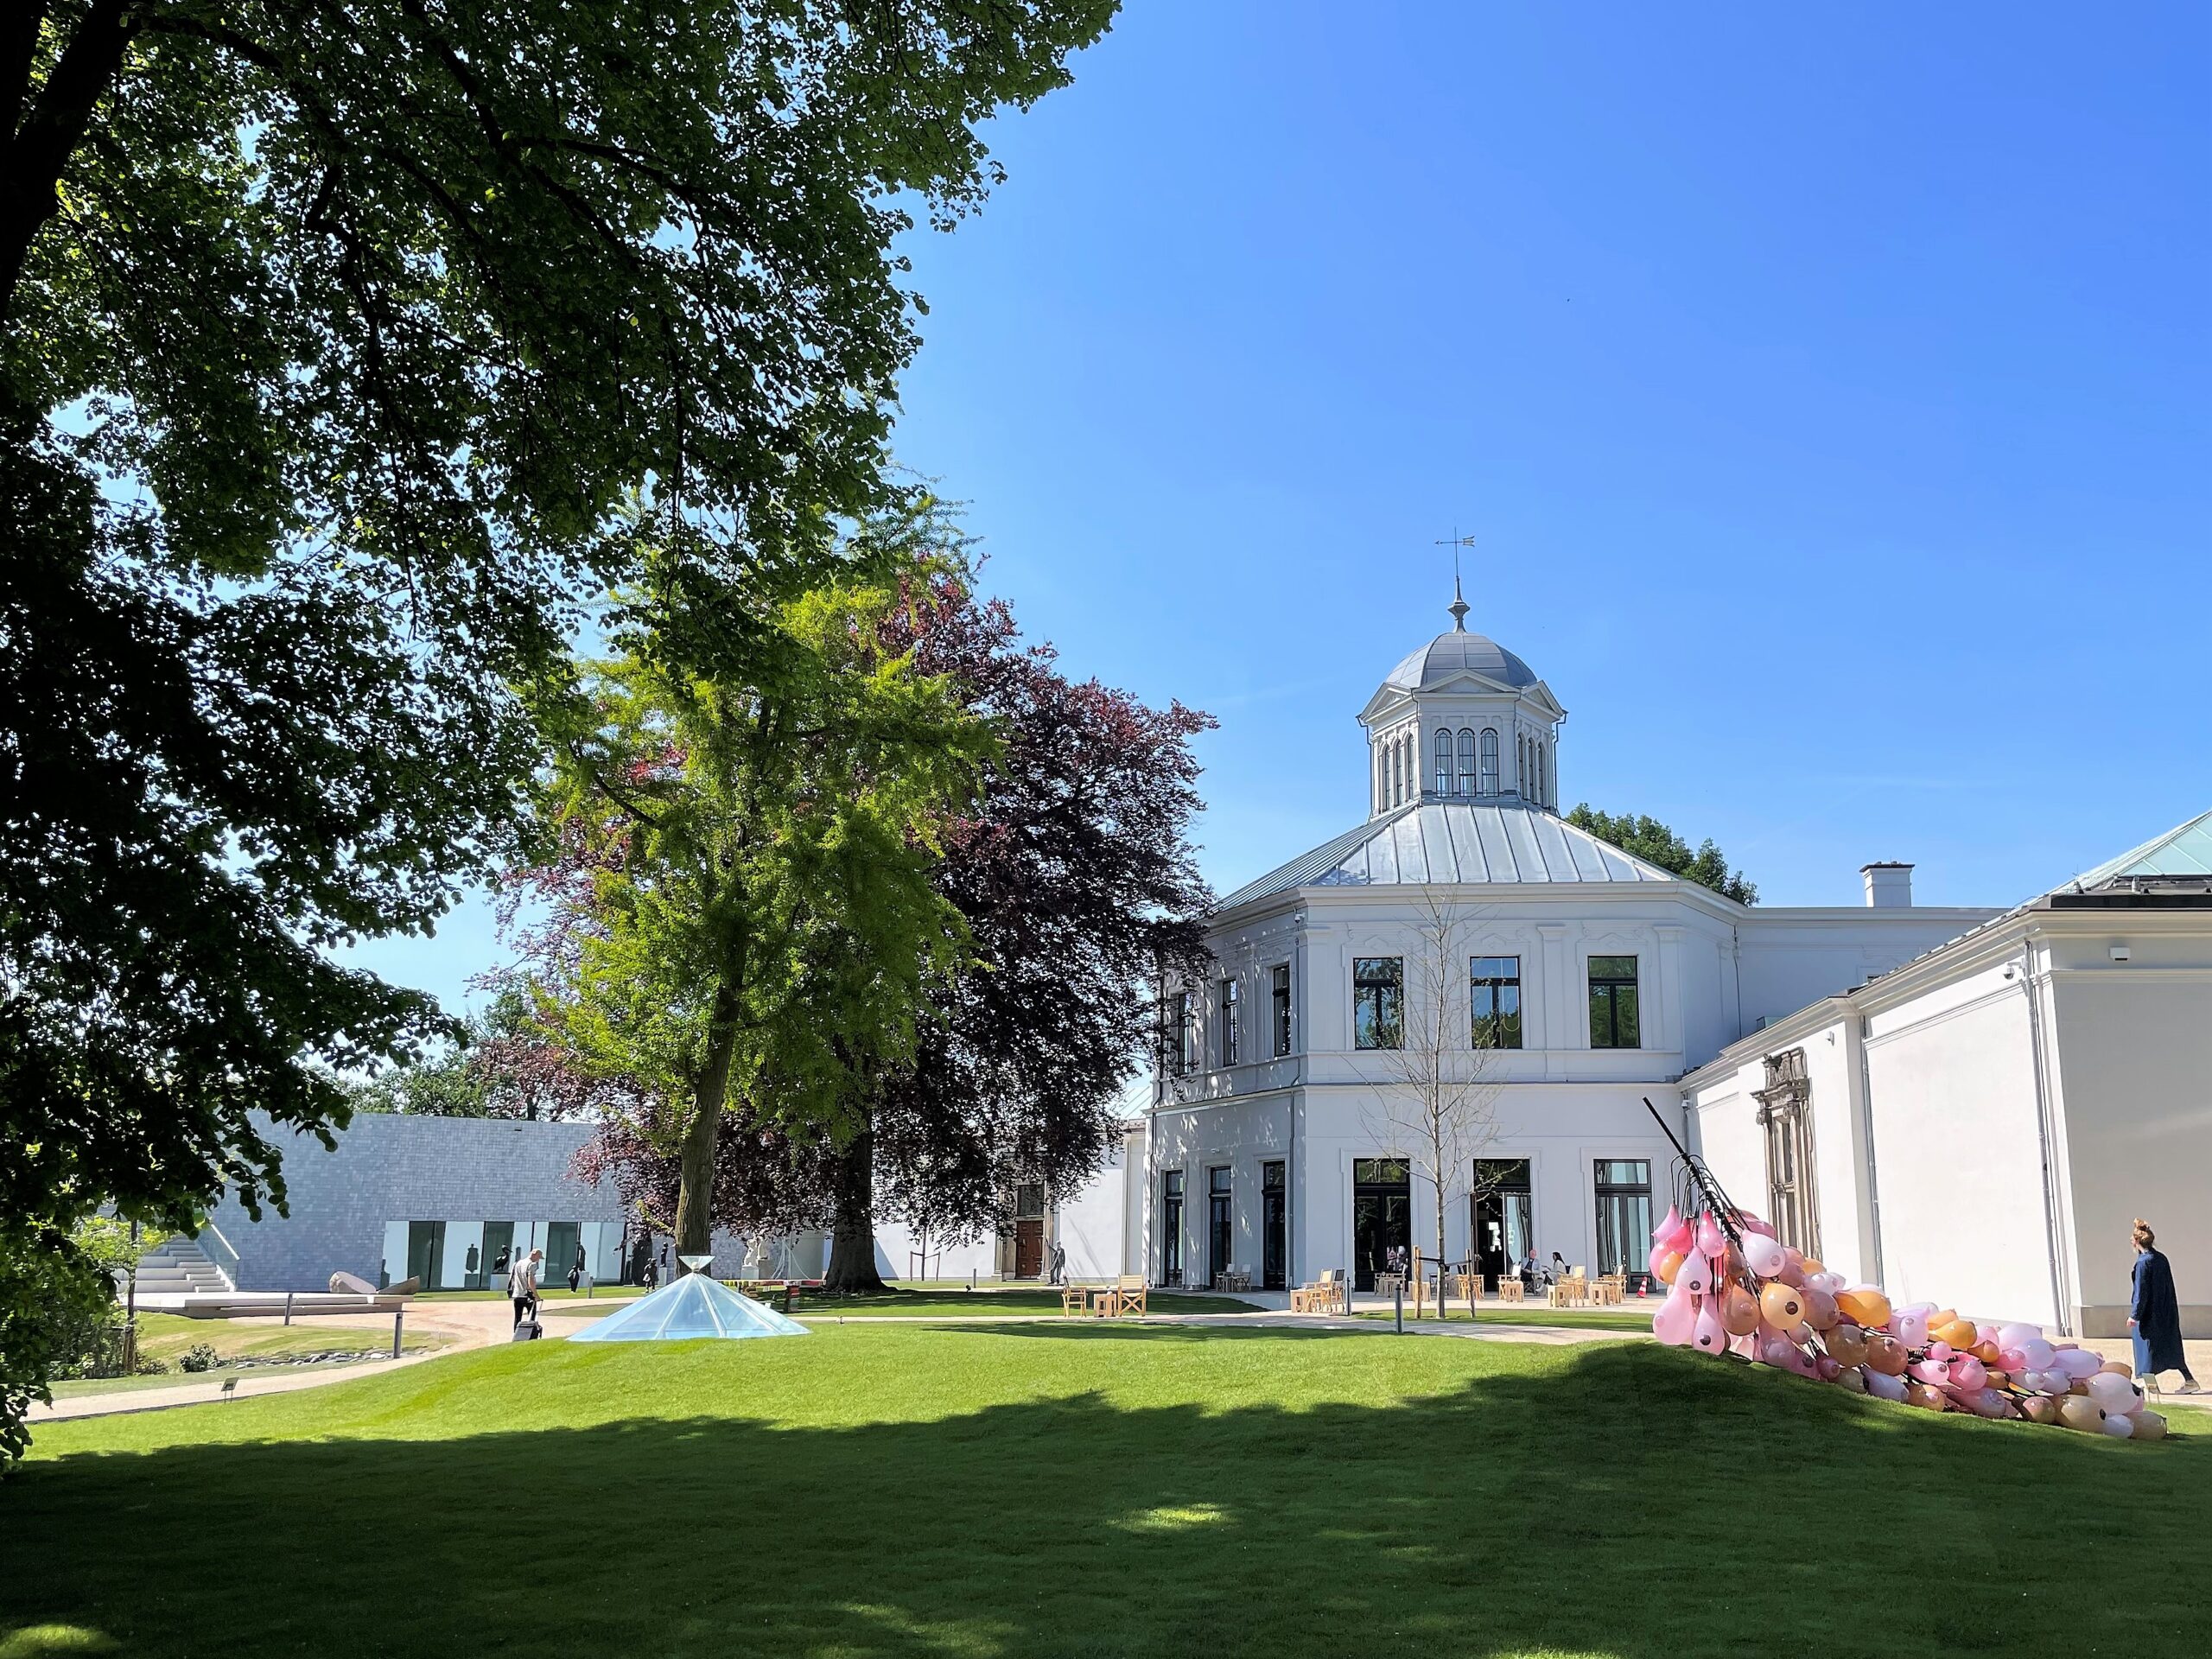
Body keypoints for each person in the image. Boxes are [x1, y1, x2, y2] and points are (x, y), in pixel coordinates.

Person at [2128, 1219, 2199, 1394]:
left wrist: (2135, 1315)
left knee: (2145, 1350)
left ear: (2136, 1242)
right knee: (2171, 1348)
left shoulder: (2143, 1263)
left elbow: (2141, 1292)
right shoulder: (2161, 1259)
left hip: (2148, 1315)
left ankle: (2152, 1388)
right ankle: (2189, 1380)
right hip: (2166, 1312)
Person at [509, 1247, 542, 1327]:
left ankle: (516, 1335)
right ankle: (530, 1335)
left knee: (518, 1317)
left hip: (517, 1294)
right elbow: (531, 1281)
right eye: (539, 1257)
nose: (538, 1260)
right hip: (527, 1295)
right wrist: (536, 1295)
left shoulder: (518, 1263)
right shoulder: (532, 1264)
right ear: (534, 1255)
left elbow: (512, 1278)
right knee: (531, 1317)